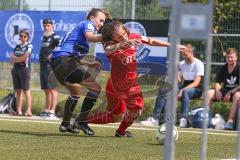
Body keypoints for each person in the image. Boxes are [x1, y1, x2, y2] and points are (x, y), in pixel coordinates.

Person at [86, 21, 188, 137]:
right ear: (113, 38)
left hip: (127, 82)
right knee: (137, 110)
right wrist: (122, 43)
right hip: (120, 84)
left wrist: (173, 45)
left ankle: (82, 121)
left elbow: (151, 41)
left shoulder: (133, 36)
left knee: (116, 116)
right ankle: (119, 131)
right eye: (119, 36)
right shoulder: (111, 44)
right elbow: (108, 50)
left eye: (124, 32)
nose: (124, 36)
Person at [51, 8, 111, 135]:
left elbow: (76, 56)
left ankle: (65, 124)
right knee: (96, 88)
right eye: (101, 20)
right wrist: (107, 37)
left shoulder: (80, 32)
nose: (101, 24)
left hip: (57, 63)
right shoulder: (87, 24)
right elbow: (91, 37)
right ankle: (81, 122)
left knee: (75, 91)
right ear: (92, 18)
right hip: (65, 61)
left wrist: (89, 63)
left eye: (103, 21)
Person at [207, 48, 240, 130]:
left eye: (232, 57)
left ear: (236, 57)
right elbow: (217, 82)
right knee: (209, 93)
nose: (230, 59)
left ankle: (230, 122)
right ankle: (207, 119)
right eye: (228, 57)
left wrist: (231, 92)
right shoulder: (223, 68)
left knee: (237, 96)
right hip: (224, 90)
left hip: (235, 91)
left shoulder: (239, 67)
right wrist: (217, 91)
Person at [178, 44, 204, 128]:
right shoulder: (181, 64)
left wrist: (181, 90)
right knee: (165, 90)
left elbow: (196, 82)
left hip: (197, 89)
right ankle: (157, 118)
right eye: (182, 52)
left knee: (185, 92)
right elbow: (180, 81)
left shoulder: (198, 63)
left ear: (191, 52)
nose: (183, 53)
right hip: (185, 87)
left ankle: (184, 118)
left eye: (185, 51)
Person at [39, 19, 60, 119]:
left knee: (53, 89)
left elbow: (61, 48)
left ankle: (52, 111)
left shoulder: (55, 37)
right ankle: (47, 109)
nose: (46, 27)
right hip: (43, 67)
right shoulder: (44, 37)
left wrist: (53, 55)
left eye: (48, 25)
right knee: (46, 90)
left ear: (52, 26)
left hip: (51, 66)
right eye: (44, 25)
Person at [11, 29, 32, 116]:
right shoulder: (17, 46)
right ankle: (18, 111)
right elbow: (11, 57)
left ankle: (28, 110)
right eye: (21, 36)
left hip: (24, 69)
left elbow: (26, 56)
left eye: (24, 36)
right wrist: (16, 60)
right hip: (15, 69)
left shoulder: (29, 46)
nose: (22, 38)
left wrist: (16, 59)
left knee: (26, 90)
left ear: (27, 37)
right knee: (18, 91)